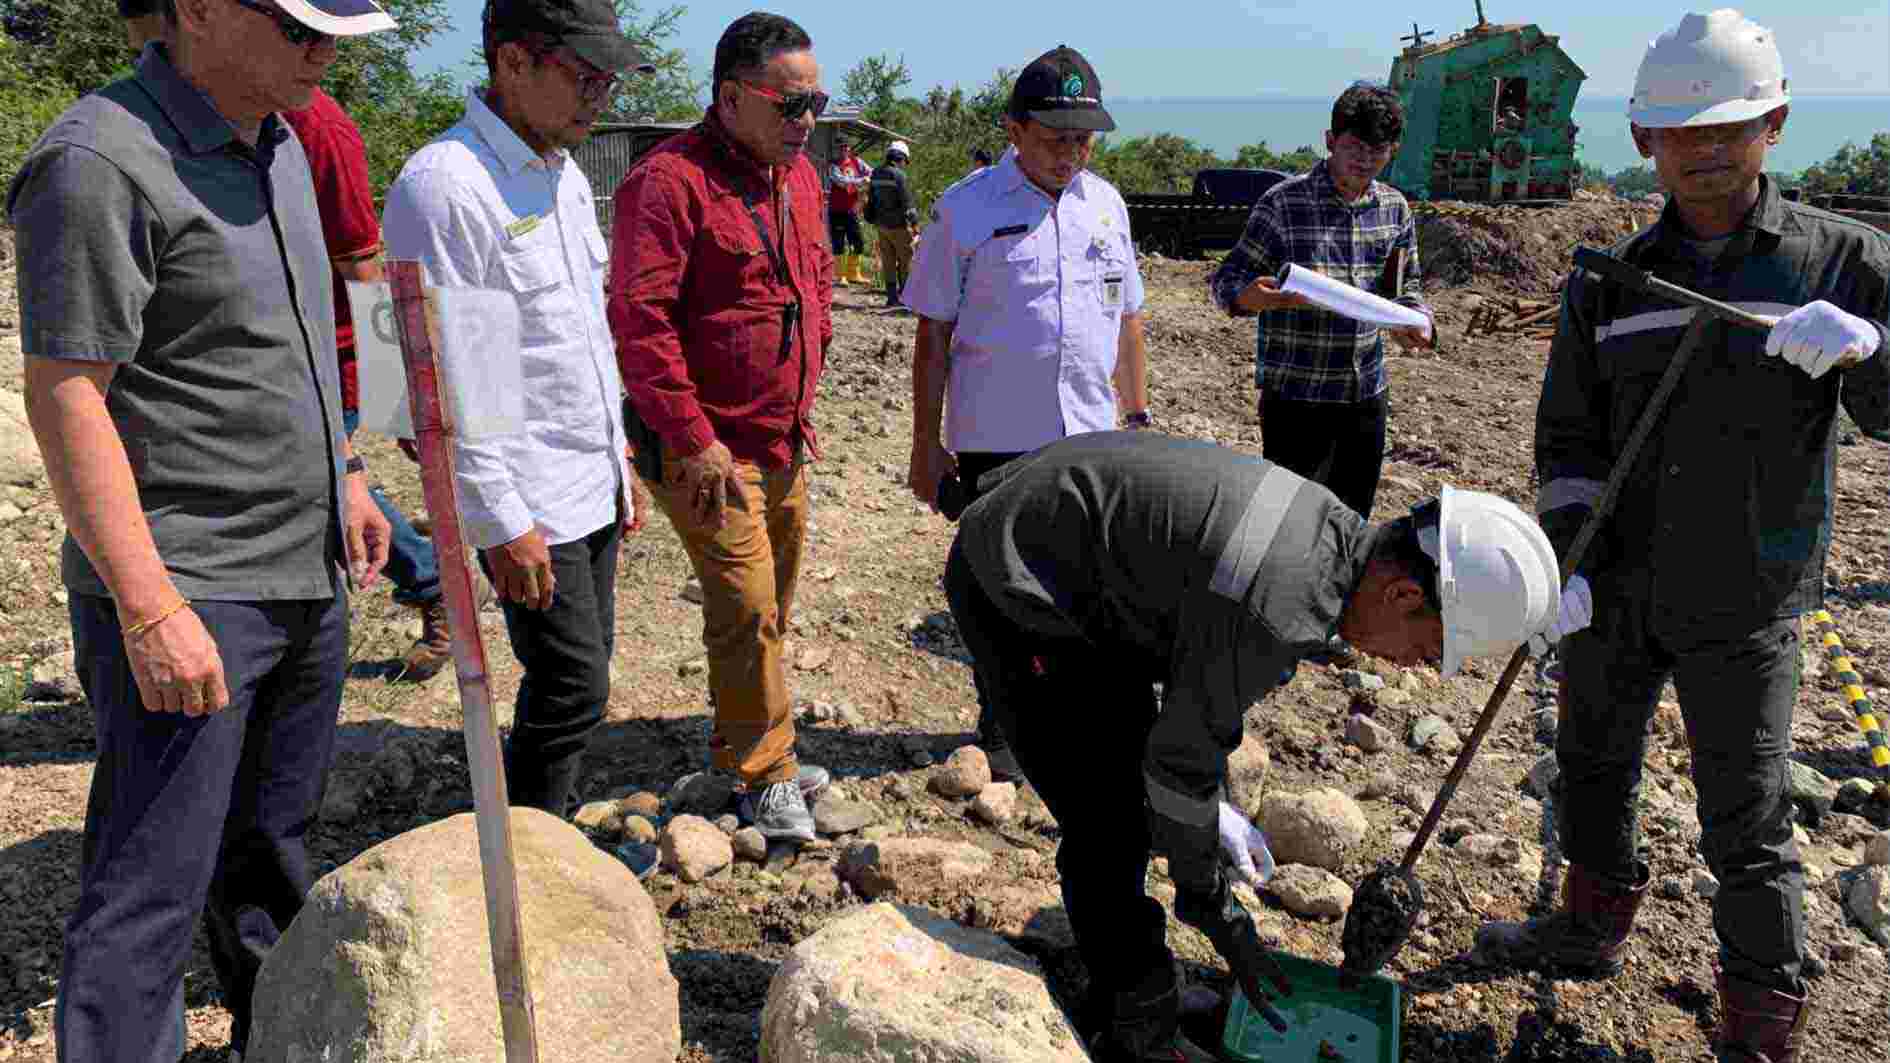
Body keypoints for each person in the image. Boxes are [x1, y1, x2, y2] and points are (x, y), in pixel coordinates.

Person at [1477, 12, 1890, 1063]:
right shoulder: (1608, 274)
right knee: (1591, 765)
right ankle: (1588, 924)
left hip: (1750, 593)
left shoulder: (1840, 262)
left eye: (1731, 128)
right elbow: (1566, 432)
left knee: (1745, 820)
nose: (1706, 151)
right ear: (1645, 141)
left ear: (1775, 124)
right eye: (1680, 133)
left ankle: (1759, 1018)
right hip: (1616, 584)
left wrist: (1871, 351)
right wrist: (1565, 553)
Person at [7, 0, 396, 1057]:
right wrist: (148, 605)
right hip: (193, 587)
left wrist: (351, 472)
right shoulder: (100, 160)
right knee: (149, 885)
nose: (325, 54)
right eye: (303, 28)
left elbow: (303, 339)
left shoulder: (281, 141)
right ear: (203, 9)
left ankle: (273, 1036)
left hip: (303, 571)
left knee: (267, 852)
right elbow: (68, 395)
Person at [944, 431, 1580, 1062]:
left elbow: (1195, 691)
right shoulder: (1274, 605)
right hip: (1020, 581)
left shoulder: (1331, 539)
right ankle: (1139, 1024)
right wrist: (1222, 916)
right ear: (1404, 595)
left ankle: (1141, 977)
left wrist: (1202, 808)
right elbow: (1178, 762)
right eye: (1427, 649)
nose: (1413, 666)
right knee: (1107, 818)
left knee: (1145, 792)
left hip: (1090, 576)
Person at [382, 0, 653, 816]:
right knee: (572, 685)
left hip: (587, 475)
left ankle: (544, 834)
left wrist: (620, 458)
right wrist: (500, 520)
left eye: (608, 75)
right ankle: (529, 848)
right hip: (529, 491)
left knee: (581, 677)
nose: (599, 94)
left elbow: (572, 335)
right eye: (581, 74)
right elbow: (442, 384)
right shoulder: (446, 187)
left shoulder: (562, 172)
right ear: (511, 63)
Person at [609, 11, 835, 842]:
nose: (806, 121)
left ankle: (749, 738)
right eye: (791, 104)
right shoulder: (667, 183)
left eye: (817, 102)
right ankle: (763, 773)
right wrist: (692, 437)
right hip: (708, 447)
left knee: (771, 602)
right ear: (732, 96)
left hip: (783, 438)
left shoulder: (799, 179)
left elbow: (813, 288)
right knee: (745, 604)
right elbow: (641, 323)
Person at [904, 43, 1150, 781]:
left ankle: (1079, 721)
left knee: (1089, 589)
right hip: (997, 441)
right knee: (1000, 593)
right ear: (1014, 131)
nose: (1071, 154)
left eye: (1083, 138)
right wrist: (926, 443)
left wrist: (1134, 418)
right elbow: (933, 333)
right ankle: (1005, 727)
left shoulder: (1107, 206)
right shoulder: (967, 208)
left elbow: (1128, 318)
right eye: (1055, 138)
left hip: (1091, 440)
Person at [282, 87, 452, 683]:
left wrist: (397, 386)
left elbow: (365, 268)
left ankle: (434, 581)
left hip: (327, 353)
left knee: (323, 485)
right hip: (271, 349)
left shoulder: (317, 125)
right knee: (319, 484)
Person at [1208, 83, 1433, 524]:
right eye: (1353, 146)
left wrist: (1417, 319)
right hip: (1297, 397)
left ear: (1394, 150)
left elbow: (1407, 287)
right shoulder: (1283, 203)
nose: (1364, 159)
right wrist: (1249, 297)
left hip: (1365, 395)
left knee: (1351, 523)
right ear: (1330, 140)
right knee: (1287, 526)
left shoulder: (1394, 209)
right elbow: (1226, 280)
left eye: (1378, 149)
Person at [866, 138, 918, 307]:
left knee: (888, 261)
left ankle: (891, 297)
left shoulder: (876, 173)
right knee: (906, 261)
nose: (905, 165)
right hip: (899, 226)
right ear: (900, 158)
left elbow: (871, 200)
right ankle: (905, 297)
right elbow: (908, 203)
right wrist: (915, 224)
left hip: (881, 225)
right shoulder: (899, 175)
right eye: (905, 161)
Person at [827, 139, 871, 287]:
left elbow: (871, 172)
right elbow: (841, 181)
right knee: (838, 242)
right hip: (837, 210)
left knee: (857, 241)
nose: (843, 150)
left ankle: (854, 273)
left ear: (849, 148)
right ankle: (840, 276)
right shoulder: (833, 166)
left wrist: (868, 179)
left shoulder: (857, 162)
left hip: (852, 209)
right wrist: (861, 181)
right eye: (840, 147)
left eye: (845, 146)